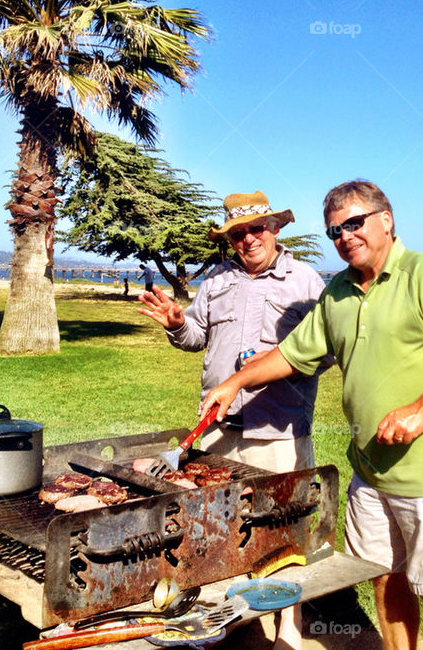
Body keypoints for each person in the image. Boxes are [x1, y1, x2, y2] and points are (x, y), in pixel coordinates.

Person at [199, 180, 423, 650]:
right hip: (369, 470)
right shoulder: (337, 290)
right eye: (335, 230)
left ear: (386, 220)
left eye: (354, 223)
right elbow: (293, 354)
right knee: (385, 578)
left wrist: (420, 411)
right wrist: (234, 382)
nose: (344, 236)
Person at [138, 190, 326, 650]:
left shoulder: (305, 281)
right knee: (217, 530)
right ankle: (229, 619)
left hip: (278, 428)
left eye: (256, 228)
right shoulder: (218, 279)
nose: (248, 239)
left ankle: (289, 629)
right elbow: (195, 336)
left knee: (283, 528)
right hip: (218, 429)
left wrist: (275, 364)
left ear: (275, 228)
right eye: (237, 233)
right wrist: (176, 323)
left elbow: (326, 350)